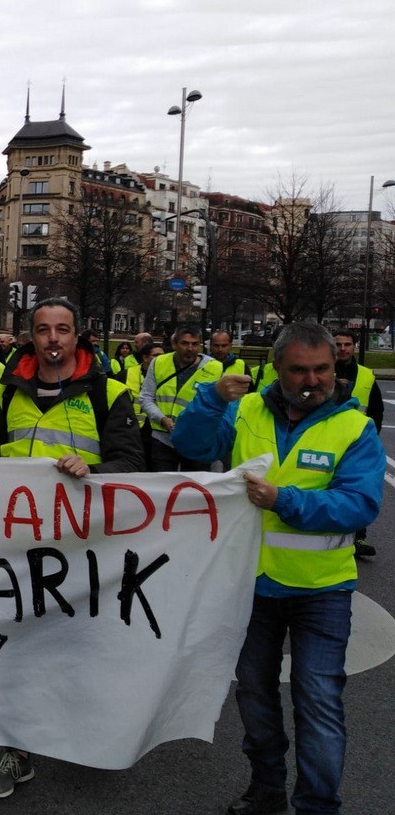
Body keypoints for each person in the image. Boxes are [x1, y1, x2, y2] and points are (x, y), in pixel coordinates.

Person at [172, 322, 383, 815]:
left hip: (322, 589)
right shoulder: (244, 409)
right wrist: (209, 399)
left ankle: (316, 806)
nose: (313, 380)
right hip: (251, 585)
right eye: (299, 370)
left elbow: (359, 505)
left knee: (319, 704)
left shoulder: (355, 427)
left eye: (322, 369)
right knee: (256, 697)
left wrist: (284, 500)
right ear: (276, 368)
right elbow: (191, 446)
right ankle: (266, 790)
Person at [0, 297, 144, 799]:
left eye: (63, 330)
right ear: (31, 336)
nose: (53, 339)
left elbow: (135, 465)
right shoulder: (6, 393)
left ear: (78, 336)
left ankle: (92, 734)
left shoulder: (110, 393)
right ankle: (19, 749)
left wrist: (91, 472)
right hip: (21, 547)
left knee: (85, 649)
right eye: (44, 330)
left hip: (86, 549)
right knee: (20, 649)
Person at [139, 323, 224, 472]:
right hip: (162, 438)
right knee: (163, 487)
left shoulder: (215, 368)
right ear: (174, 344)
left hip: (197, 440)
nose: (190, 349)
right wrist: (162, 419)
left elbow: (219, 406)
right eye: (185, 343)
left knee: (195, 489)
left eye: (195, 344)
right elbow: (146, 397)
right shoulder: (159, 363)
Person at [333, 330, 384, 558]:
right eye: (338, 344)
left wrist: (371, 438)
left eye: (347, 344)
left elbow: (376, 409)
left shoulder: (365, 375)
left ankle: (359, 536)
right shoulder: (321, 371)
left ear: (354, 346)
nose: (343, 348)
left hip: (356, 443)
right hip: (328, 440)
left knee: (358, 489)